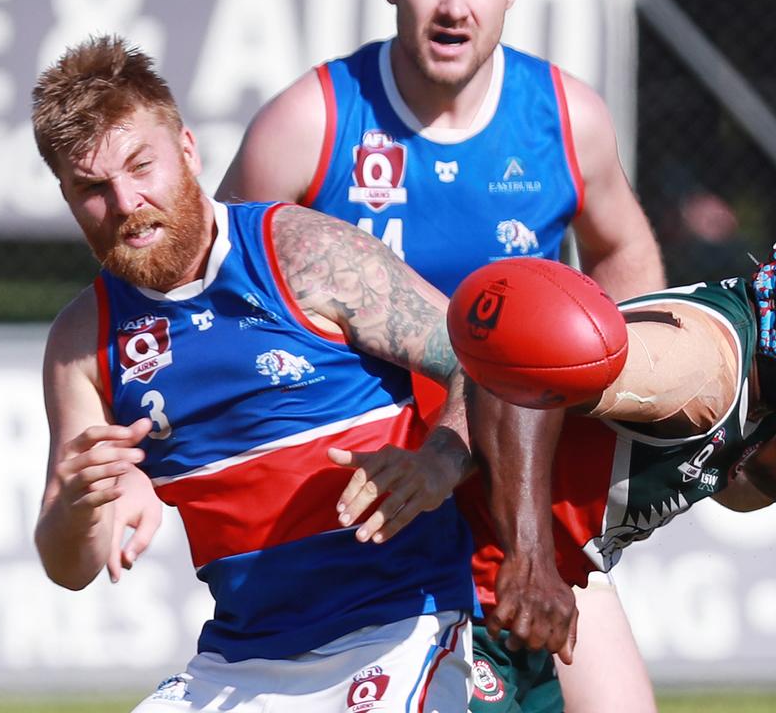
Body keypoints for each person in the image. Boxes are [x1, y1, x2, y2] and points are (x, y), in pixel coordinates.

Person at [216, 0, 666, 710]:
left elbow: (624, 255)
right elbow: (223, 300)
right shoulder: (310, 124)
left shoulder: (565, 118)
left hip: (519, 495)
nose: (454, 7)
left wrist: (611, 399)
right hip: (373, 509)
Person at [31, 35, 483, 712]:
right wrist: (79, 506)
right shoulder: (82, 339)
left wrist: (438, 464)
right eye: (92, 189)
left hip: (397, 631)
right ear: (67, 197)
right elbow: (69, 566)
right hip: (240, 662)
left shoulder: (297, 251)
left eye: (140, 166)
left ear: (186, 149)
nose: (125, 203)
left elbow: (482, 364)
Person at [466, 203, 776, 711]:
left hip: (508, 600)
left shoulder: (768, 373)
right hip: (446, 576)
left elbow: (765, 444)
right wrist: (530, 559)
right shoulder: (697, 364)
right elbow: (520, 354)